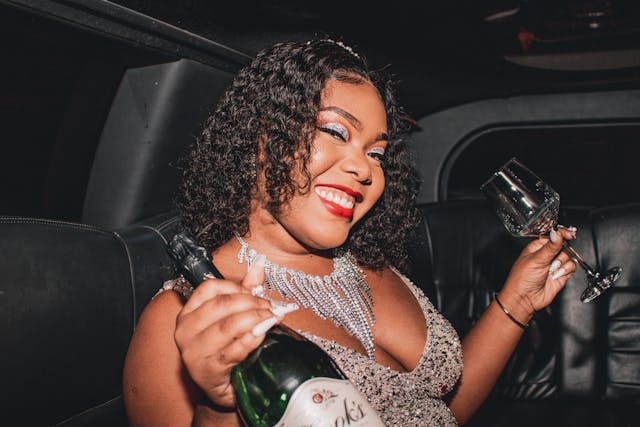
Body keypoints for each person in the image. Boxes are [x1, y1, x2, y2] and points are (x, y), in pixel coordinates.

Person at [123, 39, 577, 426]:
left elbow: (437, 411)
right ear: (261, 137)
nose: (365, 170)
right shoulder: (182, 317)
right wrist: (219, 405)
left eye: (377, 153)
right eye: (337, 132)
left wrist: (518, 300)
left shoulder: (370, 267)